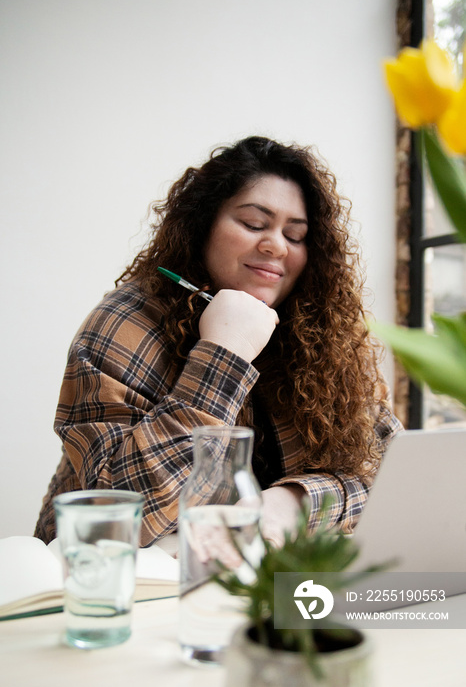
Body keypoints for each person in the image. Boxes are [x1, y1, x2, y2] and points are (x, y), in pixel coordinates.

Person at [34, 136, 402, 548]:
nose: (276, 245)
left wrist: (292, 502)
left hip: (273, 579)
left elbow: (390, 470)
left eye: (296, 235)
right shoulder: (125, 322)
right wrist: (224, 353)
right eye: (253, 224)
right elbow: (119, 516)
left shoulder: (327, 334)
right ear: (203, 225)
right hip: (133, 588)